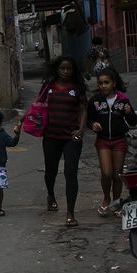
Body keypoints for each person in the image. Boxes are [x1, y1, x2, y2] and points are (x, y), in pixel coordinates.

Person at [41, 56, 88, 227]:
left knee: (70, 172)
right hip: (51, 136)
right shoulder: (49, 86)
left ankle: (70, 212)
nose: (66, 72)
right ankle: (51, 194)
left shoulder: (77, 88)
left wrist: (81, 130)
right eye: (63, 69)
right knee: (51, 171)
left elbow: (83, 110)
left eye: (69, 69)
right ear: (57, 69)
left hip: (71, 136)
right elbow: (38, 105)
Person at [87, 66, 137, 217]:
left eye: (106, 82)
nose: (103, 86)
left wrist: (129, 113)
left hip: (119, 141)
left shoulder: (123, 100)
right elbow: (89, 119)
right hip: (103, 141)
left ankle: (116, 201)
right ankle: (106, 198)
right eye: (100, 83)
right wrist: (93, 125)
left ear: (114, 83)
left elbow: (134, 121)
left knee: (117, 174)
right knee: (106, 173)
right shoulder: (95, 100)